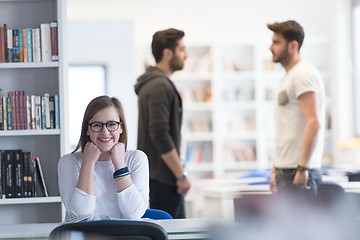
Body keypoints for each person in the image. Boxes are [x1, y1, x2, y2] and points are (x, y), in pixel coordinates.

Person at [58, 95, 149, 221]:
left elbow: (134, 214)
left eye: (112, 124)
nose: (105, 132)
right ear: (87, 130)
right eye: (96, 125)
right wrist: (88, 163)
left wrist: (120, 165)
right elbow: (80, 216)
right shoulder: (68, 162)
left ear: (121, 127)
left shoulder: (137, 158)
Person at [134, 28, 191, 219]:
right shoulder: (159, 85)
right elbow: (159, 133)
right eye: (182, 49)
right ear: (168, 53)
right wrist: (180, 175)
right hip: (164, 178)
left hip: (159, 176)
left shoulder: (154, 82)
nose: (186, 55)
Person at [267, 20, 325, 199]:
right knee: (288, 227)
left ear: (293, 46)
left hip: (298, 170)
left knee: (303, 228)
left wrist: (303, 168)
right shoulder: (289, 76)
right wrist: (276, 168)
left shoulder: (303, 74)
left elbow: (313, 123)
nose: (270, 47)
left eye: (276, 42)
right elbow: (288, 127)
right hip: (286, 168)